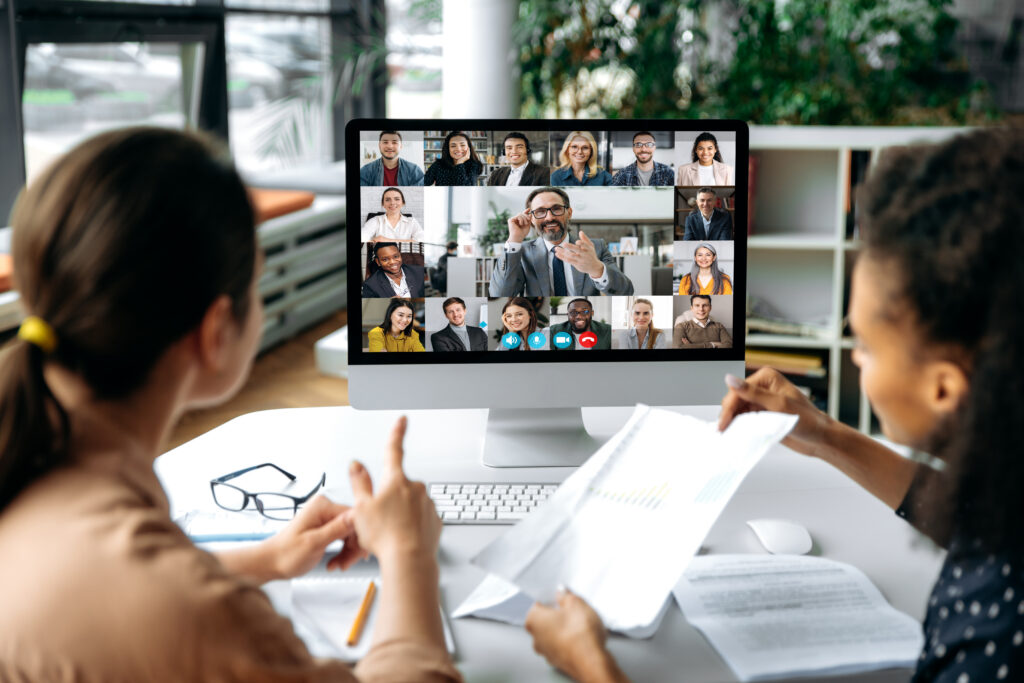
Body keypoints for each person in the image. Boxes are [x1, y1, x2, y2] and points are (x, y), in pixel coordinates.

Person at [529, 129, 1024, 683]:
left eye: (862, 343)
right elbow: (979, 523)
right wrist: (825, 434)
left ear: (943, 389)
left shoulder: (993, 646)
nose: (855, 359)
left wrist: (589, 664)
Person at [0, 127, 457, 681]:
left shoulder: (28, 472)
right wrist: (410, 555)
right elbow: (165, 606)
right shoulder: (206, 617)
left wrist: (264, 560)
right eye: (257, 285)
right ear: (217, 330)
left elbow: (94, 588)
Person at [489, 186, 634, 297]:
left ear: (569, 213)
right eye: (540, 211)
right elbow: (499, 294)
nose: (549, 217)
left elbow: (625, 292)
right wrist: (514, 240)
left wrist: (597, 269)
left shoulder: (595, 248)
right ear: (531, 218)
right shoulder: (522, 253)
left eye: (556, 209)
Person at [359, 130, 425, 186]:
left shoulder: (414, 171)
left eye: (394, 142)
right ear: (379, 145)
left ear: (401, 146)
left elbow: (419, 198)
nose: (390, 146)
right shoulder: (366, 171)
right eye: (385, 142)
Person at [362, 242, 426, 298]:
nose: (392, 262)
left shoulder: (419, 272)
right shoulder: (370, 286)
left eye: (396, 256)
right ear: (378, 262)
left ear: (400, 255)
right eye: (385, 259)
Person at [360, 187, 424, 242]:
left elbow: (421, 240)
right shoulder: (375, 221)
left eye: (397, 199)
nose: (392, 203)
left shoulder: (412, 221)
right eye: (387, 200)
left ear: (403, 203)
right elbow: (363, 237)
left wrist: (387, 240)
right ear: (383, 204)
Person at [610, 132, 675, 186]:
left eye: (649, 144)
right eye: (638, 144)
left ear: (654, 147)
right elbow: (611, 197)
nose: (643, 149)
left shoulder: (668, 173)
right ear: (633, 148)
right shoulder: (622, 174)